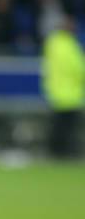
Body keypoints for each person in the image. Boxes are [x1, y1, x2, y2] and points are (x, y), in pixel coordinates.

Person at [41, 16, 85, 158]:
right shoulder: (69, 45)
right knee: (68, 128)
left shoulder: (52, 43)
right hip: (70, 94)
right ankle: (65, 154)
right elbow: (78, 68)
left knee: (58, 127)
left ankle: (55, 153)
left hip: (55, 92)